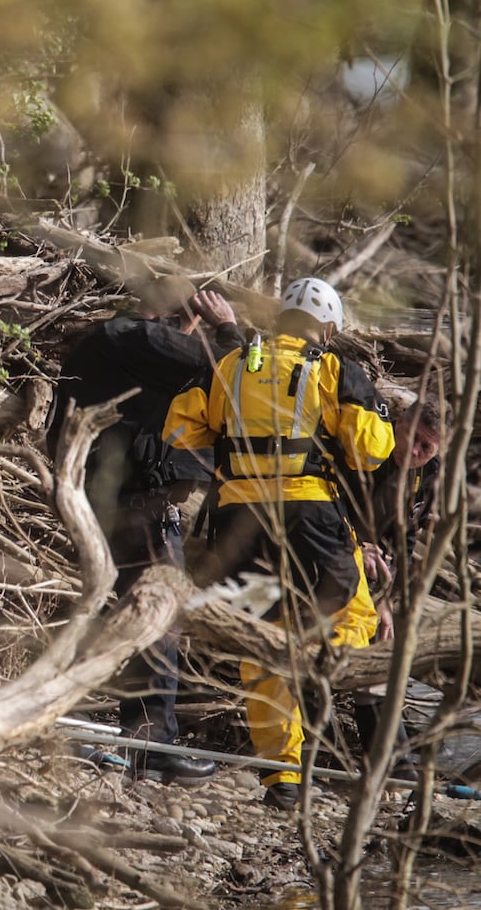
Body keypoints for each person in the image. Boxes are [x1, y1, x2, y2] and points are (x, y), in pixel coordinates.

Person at [162, 276, 395, 810]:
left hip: (240, 518)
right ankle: (324, 672)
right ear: (327, 327)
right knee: (356, 613)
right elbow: (371, 450)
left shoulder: (233, 363)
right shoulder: (333, 369)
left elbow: (180, 431)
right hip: (308, 511)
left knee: (262, 637)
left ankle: (280, 778)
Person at [47, 274, 243, 785]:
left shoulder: (115, 343)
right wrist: (226, 329)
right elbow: (225, 371)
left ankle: (140, 737)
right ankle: (153, 743)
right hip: (134, 503)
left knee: (138, 612)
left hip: (110, 497)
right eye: (184, 321)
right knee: (159, 613)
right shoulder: (132, 336)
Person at [343, 395, 446, 777]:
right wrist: (352, 545)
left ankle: (390, 757)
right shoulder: (365, 448)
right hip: (324, 552)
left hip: (373, 568)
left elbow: (405, 542)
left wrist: (386, 599)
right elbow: (318, 507)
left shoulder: (428, 474)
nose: (414, 451)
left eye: (426, 447)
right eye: (412, 437)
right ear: (399, 420)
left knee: (385, 639)